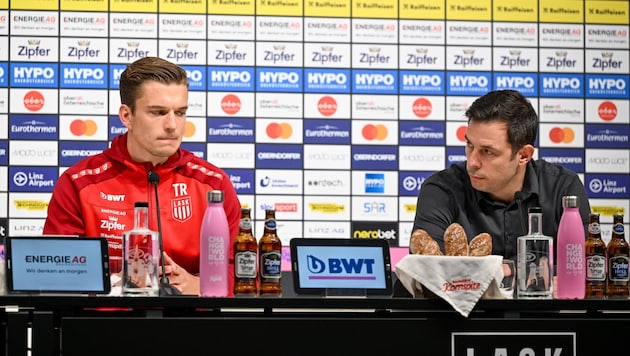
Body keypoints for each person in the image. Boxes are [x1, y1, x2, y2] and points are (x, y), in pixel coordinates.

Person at [43, 57, 241, 295]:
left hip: (191, 326)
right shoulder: (79, 183)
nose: (172, 125)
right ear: (127, 116)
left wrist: (199, 286)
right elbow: (57, 274)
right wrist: (118, 284)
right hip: (103, 326)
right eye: (158, 112)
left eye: (180, 113)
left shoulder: (213, 184)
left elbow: (241, 271)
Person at [411, 89, 590, 262]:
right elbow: (430, 269)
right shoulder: (441, 189)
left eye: (487, 151)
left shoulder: (563, 189)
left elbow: (581, 262)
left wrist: (507, 271)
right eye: (469, 145)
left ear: (523, 155)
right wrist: (513, 271)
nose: (472, 162)